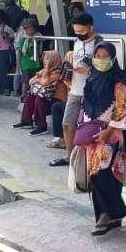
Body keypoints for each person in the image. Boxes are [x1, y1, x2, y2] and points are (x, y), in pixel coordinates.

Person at [81, 42, 126, 235]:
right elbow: (85, 106)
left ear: (113, 59)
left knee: (104, 174)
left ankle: (108, 214)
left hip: (112, 134)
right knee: (99, 174)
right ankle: (112, 215)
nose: (101, 59)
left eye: (105, 56)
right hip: (92, 134)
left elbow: (122, 109)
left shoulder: (119, 81)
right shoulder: (91, 79)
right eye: (98, 55)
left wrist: (109, 131)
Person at [51, 12, 103, 167]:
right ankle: (69, 156)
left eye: (82, 32)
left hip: (92, 92)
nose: (79, 35)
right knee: (67, 123)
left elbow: (105, 68)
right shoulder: (77, 42)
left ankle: (92, 158)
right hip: (75, 89)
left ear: (91, 28)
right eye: (76, 32)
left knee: (92, 127)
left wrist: (88, 70)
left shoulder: (101, 45)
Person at [14, 50, 67, 136]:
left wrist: (42, 75)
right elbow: (31, 81)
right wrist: (40, 78)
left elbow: (45, 82)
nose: (45, 61)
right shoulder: (44, 71)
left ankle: (42, 126)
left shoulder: (58, 72)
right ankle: (26, 120)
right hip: (48, 96)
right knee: (31, 95)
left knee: (40, 99)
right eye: (44, 59)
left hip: (58, 99)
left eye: (47, 59)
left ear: (53, 60)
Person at [14, 18, 40, 97]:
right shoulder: (23, 40)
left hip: (35, 63)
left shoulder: (37, 39)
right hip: (25, 64)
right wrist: (18, 64)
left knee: (34, 80)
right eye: (28, 29)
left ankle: (32, 96)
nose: (30, 31)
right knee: (25, 81)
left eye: (32, 28)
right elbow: (19, 52)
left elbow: (39, 50)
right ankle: (23, 96)